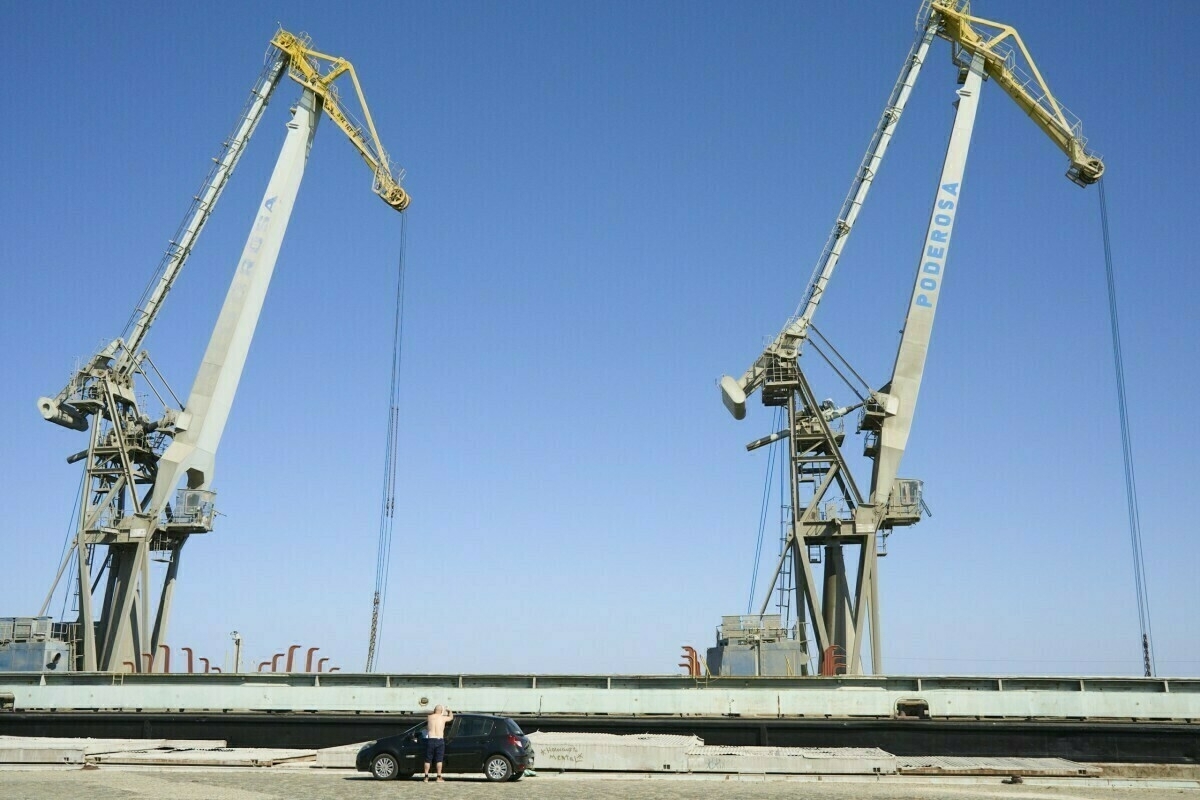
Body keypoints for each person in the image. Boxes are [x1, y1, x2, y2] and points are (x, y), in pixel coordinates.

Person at [422, 704, 454, 781]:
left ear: (434, 710)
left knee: (428, 759)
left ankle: (426, 776)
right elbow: (451, 717)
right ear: (441, 711)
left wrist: (437, 711)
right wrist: (449, 711)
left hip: (430, 739)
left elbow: (431, 714)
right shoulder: (443, 718)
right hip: (439, 740)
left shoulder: (429, 717)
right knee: (439, 760)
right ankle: (438, 777)